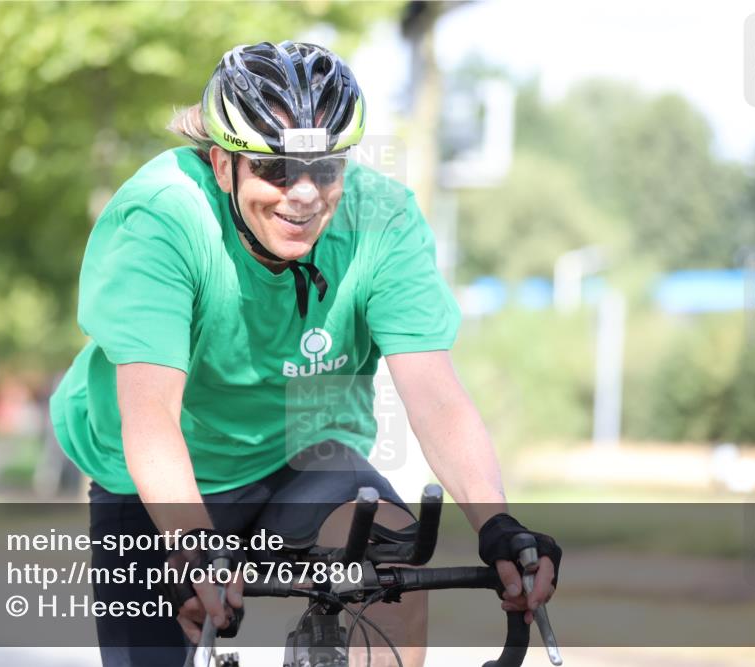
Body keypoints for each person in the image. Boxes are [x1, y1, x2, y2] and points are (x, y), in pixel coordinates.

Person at [50, 40, 561, 667]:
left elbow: (435, 392)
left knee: (387, 553)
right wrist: (189, 541)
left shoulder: (382, 221)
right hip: (157, 475)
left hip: (300, 453)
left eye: (326, 169)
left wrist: (497, 524)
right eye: (274, 170)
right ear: (220, 163)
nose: (304, 196)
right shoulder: (164, 219)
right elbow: (151, 414)